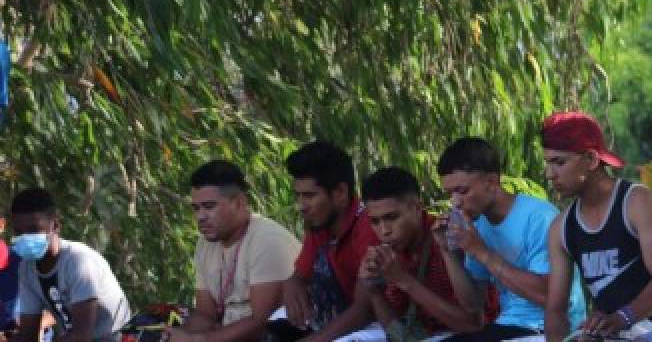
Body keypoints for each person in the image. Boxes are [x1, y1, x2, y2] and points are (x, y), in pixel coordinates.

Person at [541, 112, 652, 342]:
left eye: (559, 163)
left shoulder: (636, 201)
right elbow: (555, 310)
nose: (550, 175)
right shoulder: (560, 228)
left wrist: (621, 318)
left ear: (592, 160)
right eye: (548, 163)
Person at [435, 137, 585, 341]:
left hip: (548, 330)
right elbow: (473, 304)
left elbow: (550, 297)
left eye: (462, 191)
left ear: (492, 182)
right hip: (508, 326)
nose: (455, 202)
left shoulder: (540, 217)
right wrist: (447, 251)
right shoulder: (478, 226)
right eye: (450, 194)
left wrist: (481, 251)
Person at [167, 161, 301, 342]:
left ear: (239, 203)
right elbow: (206, 314)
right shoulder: (205, 243)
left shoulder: (267, 240)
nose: (200, 217)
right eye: (196, 208)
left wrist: (199, 340)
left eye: (209, 206)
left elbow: (262, 323)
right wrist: (169, 336)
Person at [357, 166, 488, 340]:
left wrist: (403, 280)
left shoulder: (448, 236)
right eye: (375, 221)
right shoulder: (391, 248)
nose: (384, 231)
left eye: (392, 218)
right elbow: (398, 333)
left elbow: (472, 324)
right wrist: (373, 291)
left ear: (417, 208)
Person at [279, 141, 378, 342]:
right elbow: (300, 275)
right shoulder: (320, 224)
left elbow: (364, 310)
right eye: (297, 196)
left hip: (378, 325)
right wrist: (292, 282)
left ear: (340, 193)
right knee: (273, 328)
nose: (301, 206)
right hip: (339, 321)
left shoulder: (370, 226)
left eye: (309, 196)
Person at [9, 188, 130, 342]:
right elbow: (28, 334)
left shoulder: (79, 261)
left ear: (56, 226)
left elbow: (81, 337)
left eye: (33, 230)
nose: (25, 237)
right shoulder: (26, 269)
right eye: (19, 232)